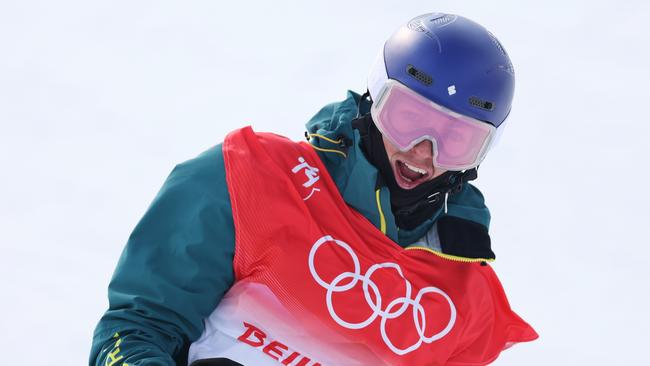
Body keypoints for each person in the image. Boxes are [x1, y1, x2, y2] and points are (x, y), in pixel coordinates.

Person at [91, 13, 537, 366]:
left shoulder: (464, 296)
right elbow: (138, 326)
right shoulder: (255, 181)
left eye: (457, 139)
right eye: (409, 118)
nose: (424, 153)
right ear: (376, 98)